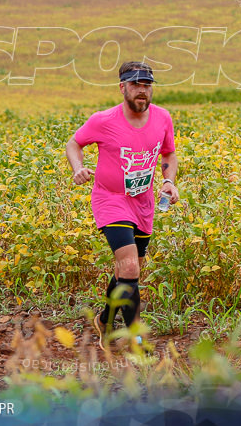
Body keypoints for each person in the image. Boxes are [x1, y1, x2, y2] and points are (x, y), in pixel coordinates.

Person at [65, 61, 179, 349]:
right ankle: (135, 338)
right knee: (129, 268)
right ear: (123, 87)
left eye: (147, 85)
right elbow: (74, 144)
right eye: (136, 85)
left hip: (144, 202)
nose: (142, 91)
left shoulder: (163, 118)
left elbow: (168, 153)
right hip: (110, 200)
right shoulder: (104, 120)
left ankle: (104, 321)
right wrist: (78, 167)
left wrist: (168, 181)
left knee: (128, 271)